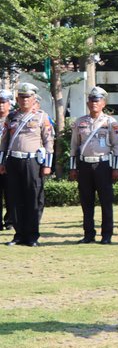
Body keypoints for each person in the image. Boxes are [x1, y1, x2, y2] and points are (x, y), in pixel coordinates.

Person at [0, 83, 55, 246]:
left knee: (33, 198)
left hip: (33, 162)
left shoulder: (41, 117)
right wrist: (2, 162)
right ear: (17, 99)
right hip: (14, 161)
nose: (25, 100)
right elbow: (4, 142)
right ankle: (19, 235)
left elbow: (48, 142)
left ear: (33, 99)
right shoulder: (11, 117)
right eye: (22, 97)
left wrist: (47, 165)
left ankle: (32, 236)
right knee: (15, 198)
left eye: (28, 97)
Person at [68, 87, 118, 245]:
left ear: (103, 103)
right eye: (92, 100)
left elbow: (117, 146)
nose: (94, 103)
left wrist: (116, 168)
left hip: (103, 164)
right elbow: (74, 146)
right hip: (85, 165)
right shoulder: (80, 122)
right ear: (87, 103)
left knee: (106, 202)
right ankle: (88, 234)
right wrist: (73, 168)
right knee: (86, 202)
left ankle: (106, 235)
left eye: (97, 100)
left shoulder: (110, 122)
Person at [0, 89, 14, 231]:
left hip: (9, 161)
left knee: (10, 193)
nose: (1, 105)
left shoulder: (13, 119)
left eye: (3, 102)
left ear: (9, 104)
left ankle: (10, 221)